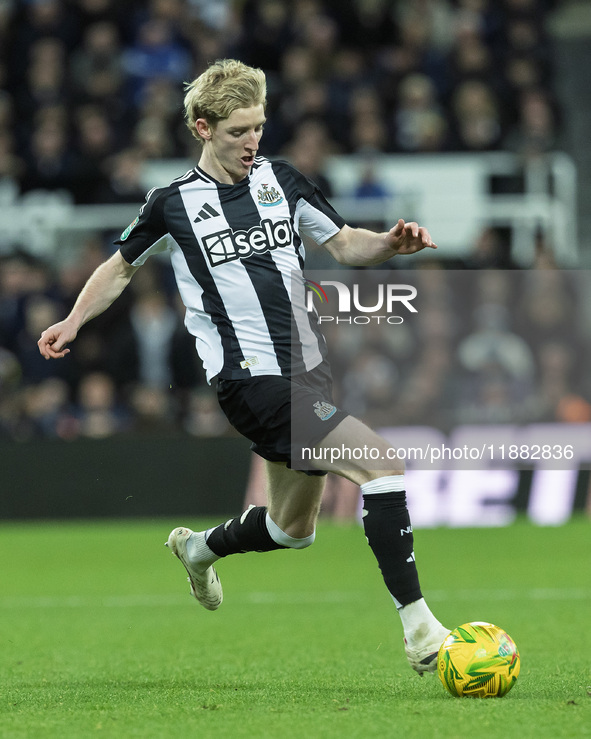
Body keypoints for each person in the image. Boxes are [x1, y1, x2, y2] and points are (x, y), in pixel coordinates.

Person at [38, 59, 450, 675]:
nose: (252, 141)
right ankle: (422, 632)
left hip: (308, 371)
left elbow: (343, 243)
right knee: (383, 466)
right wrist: (73, 321)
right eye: (237, 131)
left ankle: (199, 549)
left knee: (293, 530)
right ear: (203, 128)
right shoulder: (171, 204)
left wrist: (391, 243)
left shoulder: (281, 181)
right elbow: (119, 267)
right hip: (249, 379)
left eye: (258, 126)